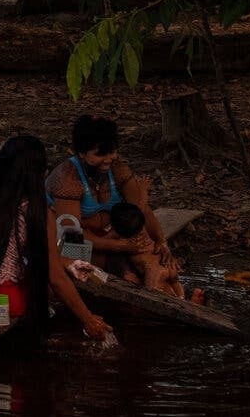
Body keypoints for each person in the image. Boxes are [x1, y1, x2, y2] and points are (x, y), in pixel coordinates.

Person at [0, 134, 113, 339]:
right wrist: (87, 319)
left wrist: (63, 261)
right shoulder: (34, 208)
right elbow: (55, 277)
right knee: (44, 285)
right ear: (38, 173)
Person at [47, 114, 184, 289]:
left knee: (157, 267)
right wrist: (120, 246)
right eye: (100, 154)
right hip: (73, 245)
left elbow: (144, 211)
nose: (109, 159)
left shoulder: (117, 169)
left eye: (112, 152)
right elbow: (73, 236)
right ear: (81, 153)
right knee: (124, 276)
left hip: (113, 239)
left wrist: (161, 241)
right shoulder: (67, 179)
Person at [107, 203, 205, 303]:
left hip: (153, 271)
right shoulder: (144, 231)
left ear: (115, 227)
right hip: (168, 264)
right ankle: (183, 299)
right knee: (175, 283)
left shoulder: (120, 236)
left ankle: (176, 305)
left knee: (152, 299)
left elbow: (105, 241)